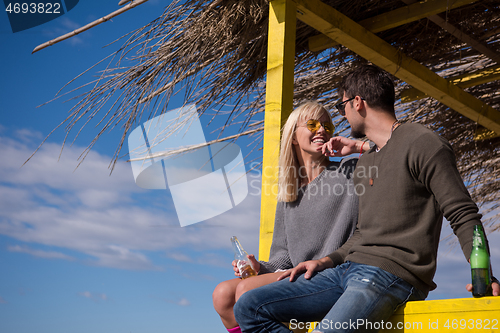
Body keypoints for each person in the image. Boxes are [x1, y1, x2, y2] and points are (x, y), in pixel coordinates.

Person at [233, 65, 500, 333]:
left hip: (391, 274)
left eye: (341, 108)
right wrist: (325, 261)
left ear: (357, 103)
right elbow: (361, 234)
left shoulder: (423, 143)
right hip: (344, 271)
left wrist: (485, 274)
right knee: (248, 307)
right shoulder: (368, 161)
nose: (341, 117)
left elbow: (463, 214)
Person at [213, 101, 365, 333]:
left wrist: (358, 147)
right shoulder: (288, 193)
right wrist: (259, 266)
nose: (322, 130)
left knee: (247, 292)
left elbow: (387, 152)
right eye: (312, 124)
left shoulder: (348, 169)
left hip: (332, 272)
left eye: (327, 126)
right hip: (297, 274)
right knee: (222, 294)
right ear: (293, 137)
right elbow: (283, 255)